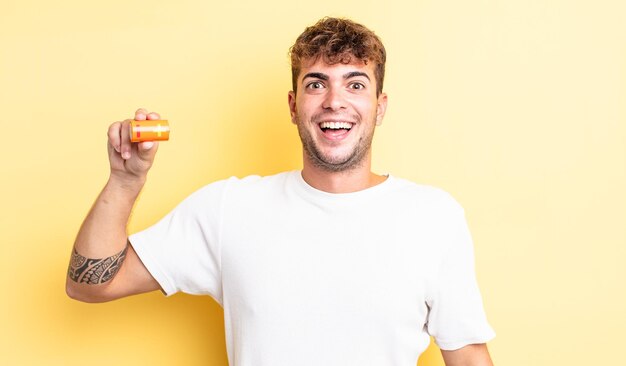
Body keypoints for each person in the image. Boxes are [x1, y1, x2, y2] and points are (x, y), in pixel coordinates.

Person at [66, 17, 496, 366]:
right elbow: (90, 285)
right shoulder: (229, 209)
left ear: (379, 107)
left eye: (355, 84)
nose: (334, 101)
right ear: (294, 106)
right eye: (316, 83)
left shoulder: (433, 216)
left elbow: (468, 356)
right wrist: (126, 182)